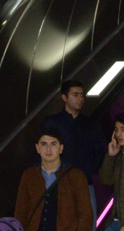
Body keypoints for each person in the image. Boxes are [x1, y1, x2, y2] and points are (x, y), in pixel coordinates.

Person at [39, 80, 106, 218]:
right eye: (75, 95)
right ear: (64, 97)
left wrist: (90, 168)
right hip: (58, 183)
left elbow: (100, 150)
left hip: (84, 182)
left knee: (88, 228)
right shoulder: (53, 123)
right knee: (61, 226)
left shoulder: (90, 124)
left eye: (82, 95)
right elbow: (41, 151)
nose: (80, 99)